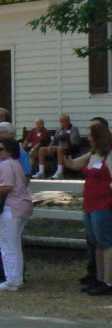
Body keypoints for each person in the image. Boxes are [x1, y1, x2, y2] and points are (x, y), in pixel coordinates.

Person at [63, 122, 112, 295]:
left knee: (106, 242)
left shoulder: (109, 155)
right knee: (96, 242)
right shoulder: (92, 155)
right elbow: (73, 164)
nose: (89, 138)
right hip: (90, 203)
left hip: (104, 203)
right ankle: (99, 278)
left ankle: (108, 281)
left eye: (91, 135)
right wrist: (64, 151)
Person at [0, 138, 33, 291]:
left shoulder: (6, 164)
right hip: (20, 207)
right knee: (14, 246)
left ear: (9, 151)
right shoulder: (16, 164)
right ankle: (16, 279)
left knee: (7, 246)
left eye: (1, 149)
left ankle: (11, 280)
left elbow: (6, 187)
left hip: (10, 208)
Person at [34, 114, 82, 179]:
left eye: (62, 121)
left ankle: (60, 172)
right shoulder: (59, 129)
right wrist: (50, 146)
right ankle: (41, 172)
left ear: (67, 121)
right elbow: (55, 139)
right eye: (60, 121)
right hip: (58, 148)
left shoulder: (73, 129)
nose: (60, 123)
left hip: (70, 149)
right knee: (42, 149)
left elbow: (74, 143)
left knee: (59, 148)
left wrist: (62, 145)